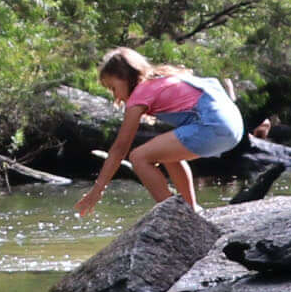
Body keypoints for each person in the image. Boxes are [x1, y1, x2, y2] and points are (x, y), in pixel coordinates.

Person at [76, 46, 243, 217]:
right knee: (166, 154)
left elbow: (120, 148)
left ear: (124, 76)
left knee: (138, 157)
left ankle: (175, 215)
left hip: (212, 125)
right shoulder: (164, 78)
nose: (115, 96)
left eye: (113, 88)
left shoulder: (140, 95)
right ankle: (190, 209)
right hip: (234, 126)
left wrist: (97, 190)